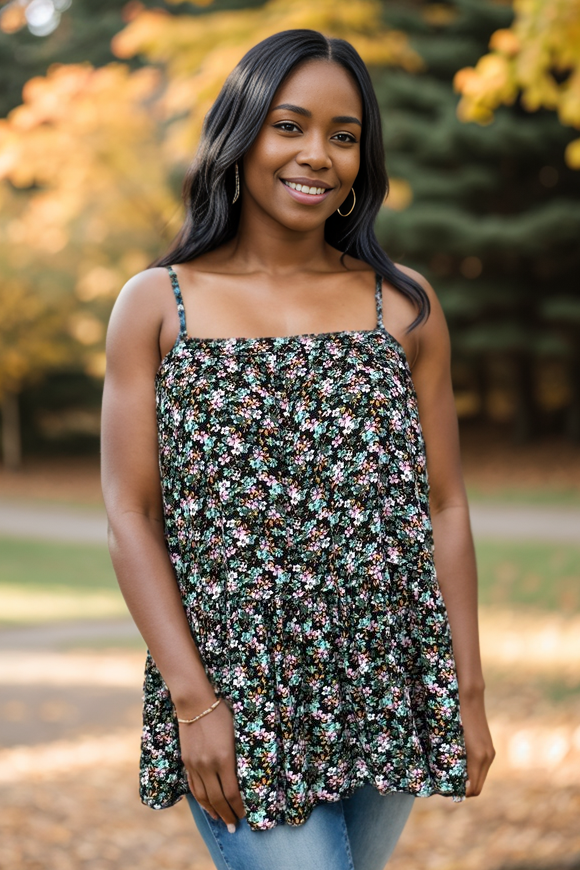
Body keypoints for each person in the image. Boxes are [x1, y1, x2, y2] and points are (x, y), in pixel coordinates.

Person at [101, 28, 495, 870]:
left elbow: (446, 505)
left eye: (344, 136)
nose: (318, 154)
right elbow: (130, 515)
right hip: (241, 693)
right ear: (241, 135)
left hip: (388, 679)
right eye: (290, 126)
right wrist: (193, 702)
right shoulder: (156, 305)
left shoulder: (405, 306)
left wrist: (465, 691)